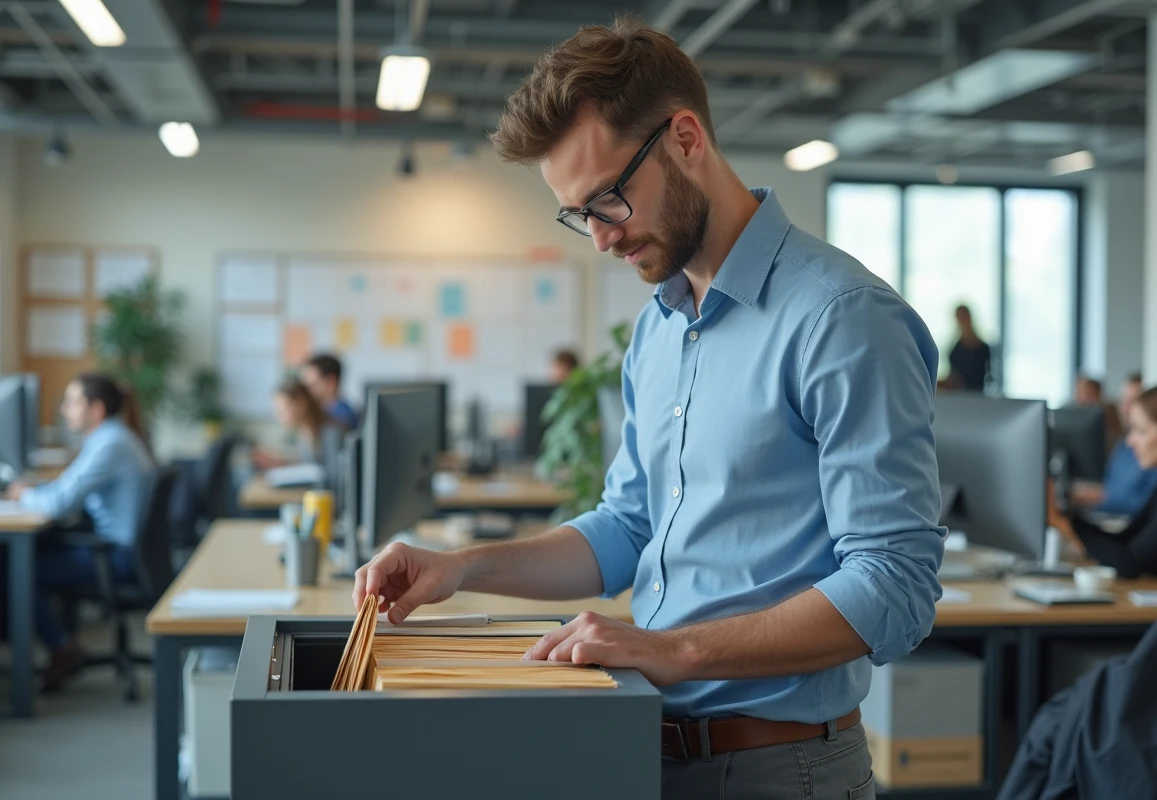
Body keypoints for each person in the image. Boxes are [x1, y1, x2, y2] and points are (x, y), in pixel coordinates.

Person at [354, 19, 943, 799]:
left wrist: (677, 650)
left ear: (686, 139)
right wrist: (461, 569)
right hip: (644, 748)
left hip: (778, 768)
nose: (598, 239)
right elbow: (628, 528)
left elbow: (897, 586)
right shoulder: (659, 328)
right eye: (579, 214)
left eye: (607, 200)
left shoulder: (842, 317)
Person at [4, 374, 154, 691]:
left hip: (116, 557)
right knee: (32, 553)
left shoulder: (110, 443)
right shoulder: (111, 437)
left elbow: (60, 503)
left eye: (72, 402)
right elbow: (67, 491)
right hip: (119, 548)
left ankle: (61, 647)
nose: (64, 410)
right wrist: (37, 491)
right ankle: (60, 642)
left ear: (96, 409)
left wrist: (24, 495)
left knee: (14, 569)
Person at [1049, 381, 1157, 585]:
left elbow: (1131, 562)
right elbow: (1126, 539)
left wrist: (1063, 523)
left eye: (1140, 431)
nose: (1130, 442)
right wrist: (1068, 519)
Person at [1071, 372, 1157, 515]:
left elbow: (1148, 503)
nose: (1125, 409)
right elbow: (1111, 488)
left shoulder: (1155, 450)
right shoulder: (1124, 445)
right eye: (1123, 401)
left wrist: (1098, 498)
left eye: (1133, 402)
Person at [254, 381, 343, 477]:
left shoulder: (332, 432)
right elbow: (309, 467)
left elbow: (333, 476)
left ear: (301, 404)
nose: (278, 416)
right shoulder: (304, 433)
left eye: (282, 410)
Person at [300, 353, 358, 432]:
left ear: (331, 382)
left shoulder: (342, 418)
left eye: (312, 385)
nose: (307, 392)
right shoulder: (322, 413)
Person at [947, 304, 991, 392]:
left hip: (977, 395)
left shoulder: (983, 348)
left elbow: (988, 376)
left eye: (963, 316)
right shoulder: (955, 349)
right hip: (959, 395)